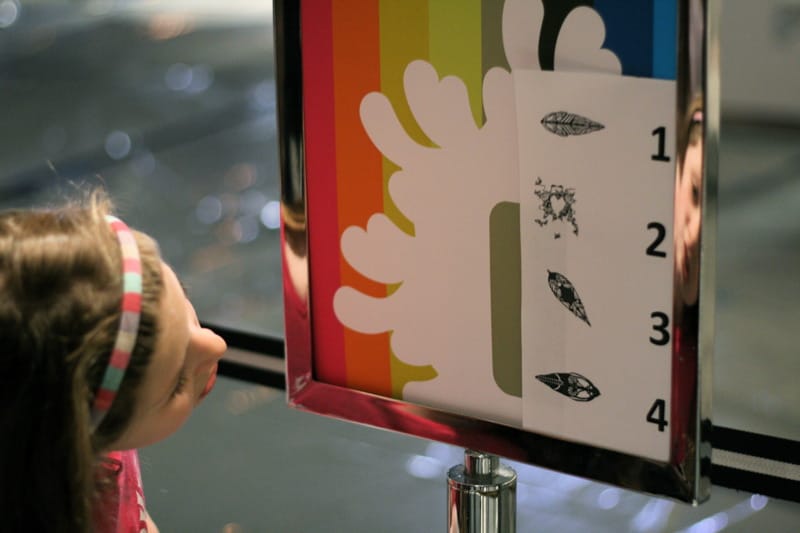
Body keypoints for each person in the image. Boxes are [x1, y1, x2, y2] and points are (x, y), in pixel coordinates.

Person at [0, 191, 227, 533]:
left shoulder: (89, 431)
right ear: (77, 438)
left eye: (184, 305)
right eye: (177, 382)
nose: (216, 344)